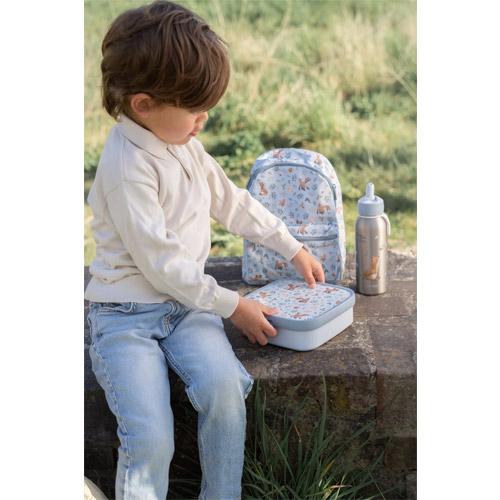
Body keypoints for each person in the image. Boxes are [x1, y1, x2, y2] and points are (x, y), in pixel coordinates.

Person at [84, 1, 325, 498]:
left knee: (225, 390)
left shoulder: (182, 144)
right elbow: (163, 265)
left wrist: (290, 245)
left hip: (187, 308)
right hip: (125, 316)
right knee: (150, 437)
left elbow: (231, 200)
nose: (204, 119)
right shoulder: (128, 168)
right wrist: (233, 305)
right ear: (143, 105)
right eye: (194, 109)